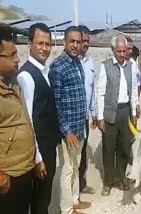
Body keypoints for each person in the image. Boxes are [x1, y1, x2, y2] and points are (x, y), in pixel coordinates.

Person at [17, 23, 60, 214]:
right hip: (38, 149)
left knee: (45, 196)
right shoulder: (26, 76)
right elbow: (28, 120)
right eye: (40, 43)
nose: (44, 48)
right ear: (29, 44)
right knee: (39, 200)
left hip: (48, 145)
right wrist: (38, 158)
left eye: (47, 44)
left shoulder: (45, 71)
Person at [49, 26, 91, 214]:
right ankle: (66, 209)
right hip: (69, 132)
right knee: (67, 170)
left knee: (75, 166)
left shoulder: (77, 63)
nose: (76, 45)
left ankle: (74, 200)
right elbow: (55, 103)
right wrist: (67, 131)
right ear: (65, 42)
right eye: (72, 41)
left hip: (80, 127)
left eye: (79, 41)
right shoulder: (58, 67)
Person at [96, 36, 138, 197]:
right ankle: (108, 182)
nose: (121, 54)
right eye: (118, 51)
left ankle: (120, 178)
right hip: (110, 113)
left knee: (124, 147)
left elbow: (133, 90)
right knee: (109, 148)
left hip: (125, 111)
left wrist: (133, 113)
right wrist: (100, 117)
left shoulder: (130, 67)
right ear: (113, 51)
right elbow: (100, 93)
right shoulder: (105, 66)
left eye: (124, 50)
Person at [0, 26, 35, 214]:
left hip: (23, 169)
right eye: (12, 55)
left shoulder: (13, 82)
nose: (18, 59)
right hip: (8, 177)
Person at [78, 25, 97, 195]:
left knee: (83, 152)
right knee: (71, 157)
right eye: (82, 40)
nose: (85, 44)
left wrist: (94, 114)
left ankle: (81, 185)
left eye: (87, 41)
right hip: (71, 118)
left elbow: (93, 91)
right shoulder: (70, 62)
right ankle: (71, 194)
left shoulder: (90, 63)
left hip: (84, 117)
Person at [125, 36, 141, 120]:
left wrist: (136, 104)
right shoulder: (111, 65)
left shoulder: (133, 65)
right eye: (128, 49)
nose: (130, 51)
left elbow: (135, 86)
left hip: (131, 105)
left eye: (131, 49)